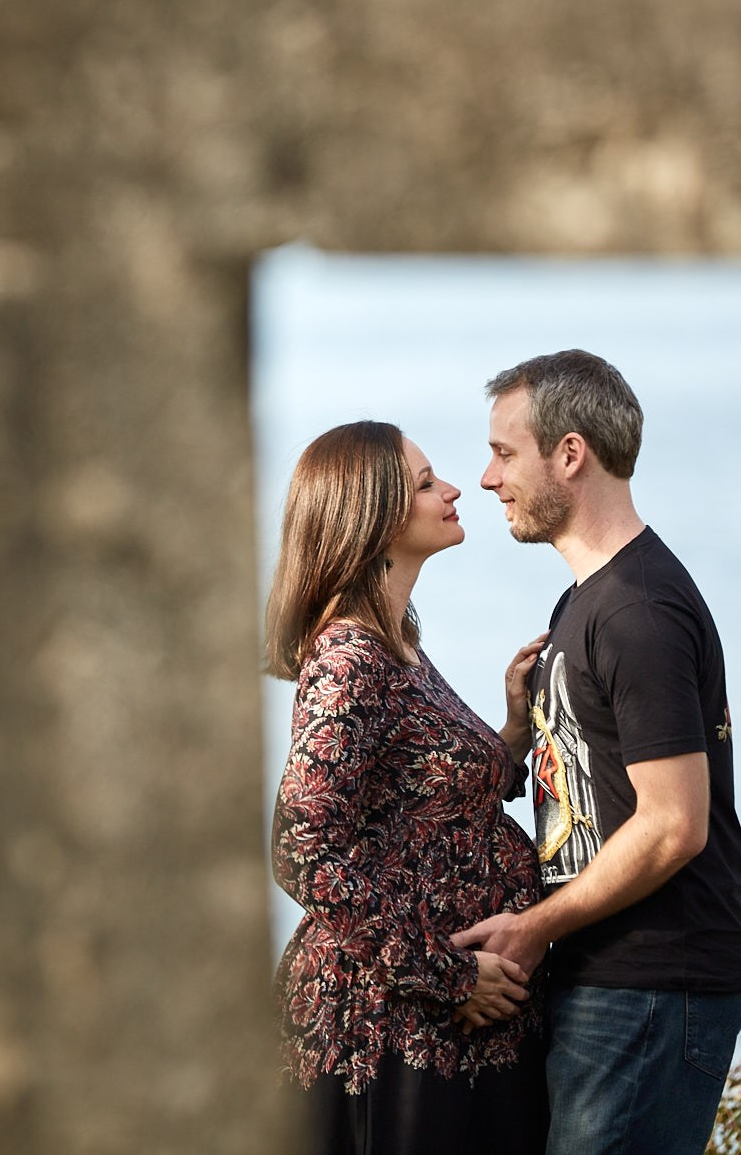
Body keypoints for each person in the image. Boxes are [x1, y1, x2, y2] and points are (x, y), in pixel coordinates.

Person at [452, 350, 741, 1155]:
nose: (486, 478)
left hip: (654, 983)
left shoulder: (638, 612)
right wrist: (523, 723)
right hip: (613, 979)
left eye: (504, 452)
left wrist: (533, 928)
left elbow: (673, 826)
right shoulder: (584, 603)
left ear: (571, 453)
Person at [268, 419, 551, 1155]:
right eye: (426, 483)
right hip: (387, 1030)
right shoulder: (347, 658)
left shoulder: (401, 644)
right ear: (373, 518)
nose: (455, 488)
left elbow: (433, 801)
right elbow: (302, 852)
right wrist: (451, 975)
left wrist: (513, 728)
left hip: (447, 1029)